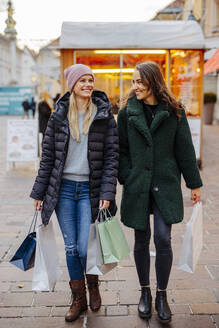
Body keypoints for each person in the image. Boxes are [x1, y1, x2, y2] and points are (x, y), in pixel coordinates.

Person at [30, 64, 119, 322]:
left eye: (90, 80)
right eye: (82, 81)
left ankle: (93, 284)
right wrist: (39, 193)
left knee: (84, 246)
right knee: (71, 248)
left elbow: (112, 157)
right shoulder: (58, 116)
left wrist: (107, 191)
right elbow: (47, 158)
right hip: (64, 191)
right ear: (72, 85)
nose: (88, 85)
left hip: (90, 190)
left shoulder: (103, 115)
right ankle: (78, 298)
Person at [117, 61, 202, 324]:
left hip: (165, 185)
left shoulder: (175, 111)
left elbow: (185, 151)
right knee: (141, 240)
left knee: (163, 239)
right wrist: (127, 176)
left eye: (140, 81)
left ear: (153, 81)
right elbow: (120, 150)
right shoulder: (127, 113)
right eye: (133, 81)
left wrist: (194, 184)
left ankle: (161, 295)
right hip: (138, 187)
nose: (136, 86)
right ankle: (145, 292)